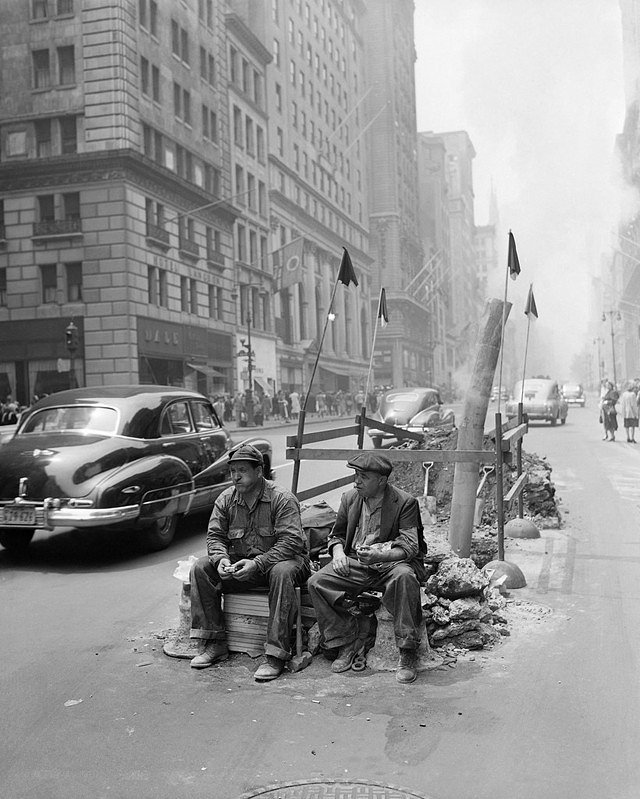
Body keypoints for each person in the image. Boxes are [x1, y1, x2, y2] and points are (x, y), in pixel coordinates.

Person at [189, 444, 310, 681]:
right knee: (202, 567)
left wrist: (258, 564)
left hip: (285, 562)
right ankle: (214, 643)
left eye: (242, 470)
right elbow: (215, 536)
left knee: (282, 571)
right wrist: (222, 559)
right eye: (233, 471)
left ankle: (276, 655)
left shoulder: (281, 498)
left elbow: (291, 543)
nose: (235, 477)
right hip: (247, 565)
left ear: (259, 471)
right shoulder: (226, 499)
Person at [307, 452, 426, 685]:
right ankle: (345, 641)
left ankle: (407, 650)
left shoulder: (405, 502)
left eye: (363, 477)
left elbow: (411, 547)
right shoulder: (350, 498)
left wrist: (382, 554)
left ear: (381, 480)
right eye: (355, 475)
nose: (356, 481)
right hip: (358, 564)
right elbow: (336, 536)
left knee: (405, 577)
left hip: (391, 564)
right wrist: (339, 553)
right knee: (317, 582)